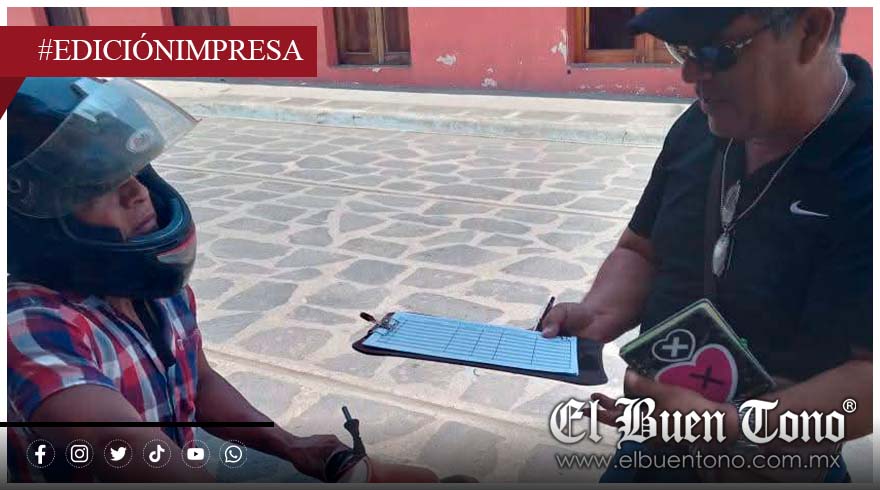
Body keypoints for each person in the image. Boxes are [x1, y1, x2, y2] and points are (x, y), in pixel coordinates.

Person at [540, 8, 870, 483]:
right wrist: (598, 311)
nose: (691, 74)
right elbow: (641, 249)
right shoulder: (700, 124)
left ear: (810, 29)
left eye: (717, 51)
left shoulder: (866, 162)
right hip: (656, 448)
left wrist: (731, 425)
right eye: (683, 50)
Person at [6, 77, 351, 482]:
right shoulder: (29, 322)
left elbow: (198, 383)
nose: (137, 194)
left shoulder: (158, 291)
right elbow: (113, 440)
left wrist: (288, 444)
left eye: (135, 171)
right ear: (37, 221)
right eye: (101, 185)